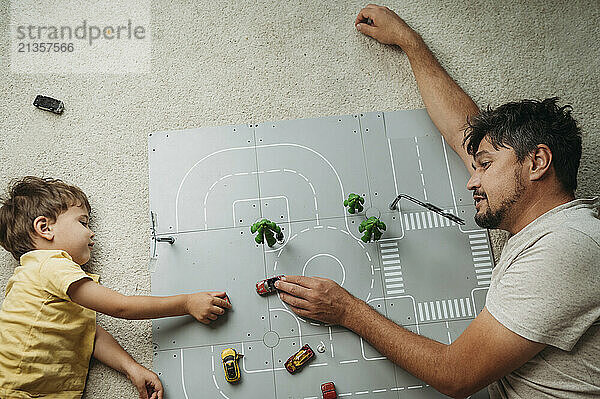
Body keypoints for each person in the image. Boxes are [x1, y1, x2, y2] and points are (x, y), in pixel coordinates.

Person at [275, 4, 599, 398]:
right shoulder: (551, 229)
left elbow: (456, 375)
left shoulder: (568, 246)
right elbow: (462, 128)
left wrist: (346, 310)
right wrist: (410, 44)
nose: (471, 181)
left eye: (483, 165)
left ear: (537, 162)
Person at [0, 176, 232, 399]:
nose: (92, 233)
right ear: (45, 227)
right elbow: (122, 307)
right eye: (82, 222)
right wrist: (187, 303)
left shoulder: (44, 280)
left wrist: (131, 368)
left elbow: (90, 335)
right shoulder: (49, 264)